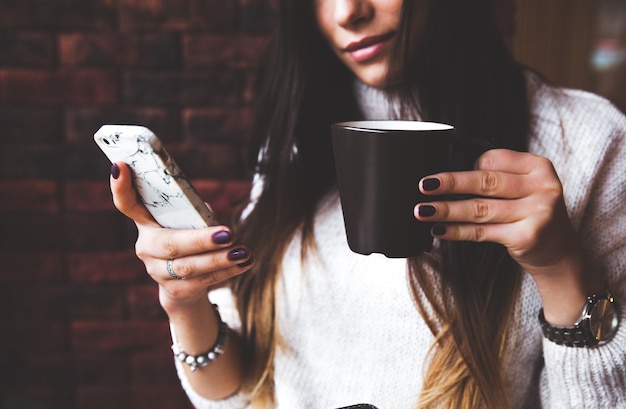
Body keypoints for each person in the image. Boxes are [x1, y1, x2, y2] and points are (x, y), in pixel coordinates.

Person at [108, 0, 626, 408]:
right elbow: (238, 395)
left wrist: (559, 267)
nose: (345, 12)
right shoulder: (298, 137)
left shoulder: (591, 144)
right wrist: (185, 303)